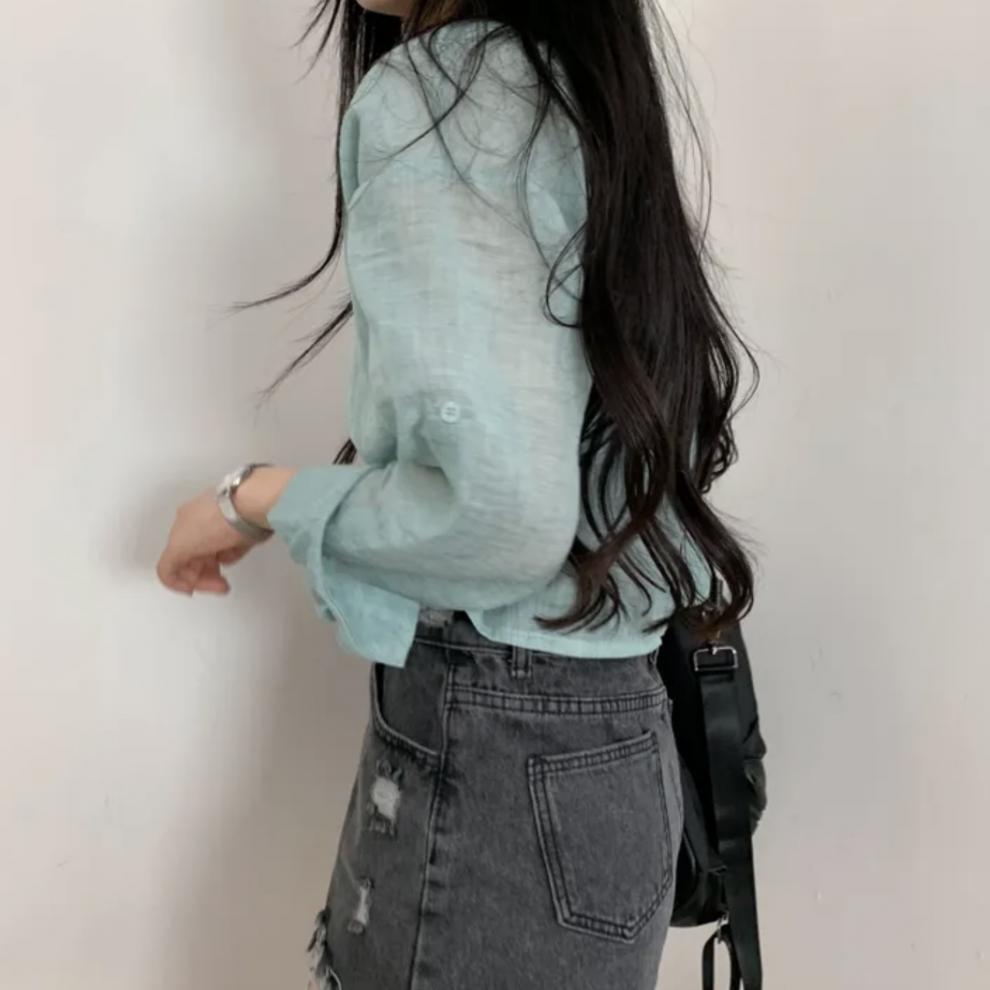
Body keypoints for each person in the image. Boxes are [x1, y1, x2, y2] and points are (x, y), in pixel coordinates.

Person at [156, 2, 758, 987]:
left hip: (499, 757)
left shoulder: (443, 100)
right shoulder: (576, 89)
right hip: (611, 741)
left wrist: (252, 498)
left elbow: (497, 517)